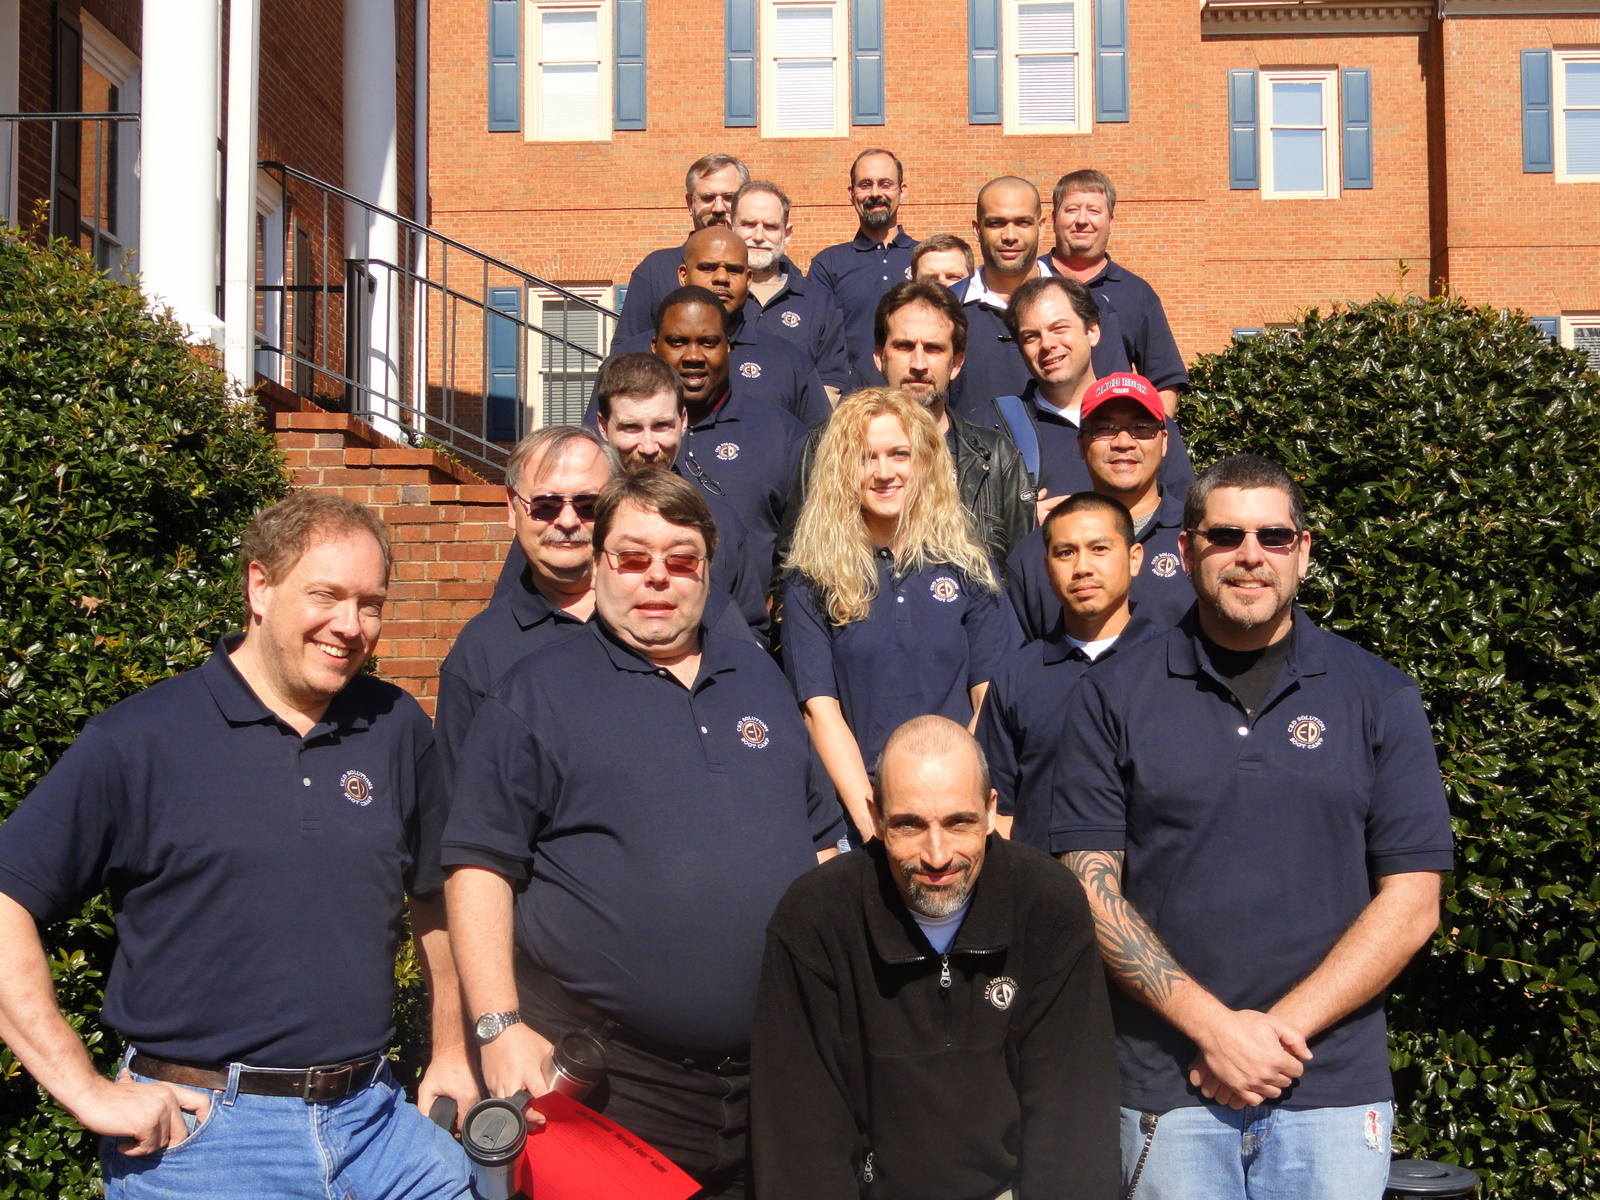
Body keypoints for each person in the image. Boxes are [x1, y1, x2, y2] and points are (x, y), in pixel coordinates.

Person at [0, 493, 474, 1197]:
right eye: (326, 596)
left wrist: (453, 1051)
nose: (350, 626)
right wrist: (84, 1088)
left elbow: (437, 894)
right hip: (205, 1147)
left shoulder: (395, 724)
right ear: (259, 586)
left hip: (380, 1131)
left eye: (370, 604)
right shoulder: (140, 739)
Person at [1053, 454, 1455, 1198]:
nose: (1250, 554)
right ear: (1186, 550)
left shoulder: (1379, 695)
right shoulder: (1110, 695)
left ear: (1303, 551)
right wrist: (1214, 1030)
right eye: (1225, 535)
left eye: (1273, 536)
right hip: (1170, 1088)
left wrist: (1271, 1036)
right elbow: (1088, 888)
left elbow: (1412, 902)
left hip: (1330, 1090)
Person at [443, 470, 844, 1199]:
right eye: (632, 557)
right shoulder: (535, 691)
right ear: (599, 566)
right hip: (612, 1090)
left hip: (770, 1082)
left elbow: (820, 844)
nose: (657, 577)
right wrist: (497, 1025)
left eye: (681, 559)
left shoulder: (760, 680)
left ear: (708, 571)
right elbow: (478, 864)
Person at [750, 715, 1120, 1200]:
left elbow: (1074, 1124)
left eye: (959, 822)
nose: (937, 855)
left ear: (991, 812)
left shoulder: (1047, 905)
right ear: (875, 817)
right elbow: (801, 1142)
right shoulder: (814, 919)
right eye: (909, 825)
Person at [781, 388, 1016, 845]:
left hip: (956, 808)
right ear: (841, 469)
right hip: (862, 817)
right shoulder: (811, 578)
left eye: (899, 454)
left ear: (924, 461)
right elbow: (820, 712)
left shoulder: (969, 566)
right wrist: (874, 824)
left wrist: (954, 801)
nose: (884, 472)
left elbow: (990, 697)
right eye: (865, 457)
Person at [782, 280, 1036, 573]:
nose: (918, 363)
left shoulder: (996, 456)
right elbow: (791, 565)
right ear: (879, 357)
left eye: (933, 348)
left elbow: (1023, 577)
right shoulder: (827, 446)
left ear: (956, 364)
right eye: (904, 346)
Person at [437, 427, 617, 785]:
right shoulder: (481, 650)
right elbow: (458, 795)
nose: (568, 521)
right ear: (512, 507)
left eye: (588, 505)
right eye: (546, 505)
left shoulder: (662, 617)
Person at [979, 493, 1154, 851]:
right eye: (1065, 553)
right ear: (1046, 568)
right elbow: (998, 811)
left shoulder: (1175, 664)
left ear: (1134, 558)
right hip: (1042, 880)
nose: (1082, 567)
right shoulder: (1016, 677)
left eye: (1099, 549)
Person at [1004, 373, 1194, 642]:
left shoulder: (1202, 541)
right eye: (1105, 428)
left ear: (1164, 442)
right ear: (1081, 444)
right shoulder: (1035, 555)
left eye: (1141, 427)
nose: (1124, 442)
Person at [595, 351, 771, 634]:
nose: (648, 446)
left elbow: (751, 631)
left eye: (661, 426)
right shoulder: (577, 517)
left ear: (683, 420)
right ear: (604, 427)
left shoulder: (719, 522)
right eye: (631, 428)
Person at [645, 286, 807, 590]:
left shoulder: (781, 433)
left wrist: (777, 604)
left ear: (728, 346)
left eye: (708, 342)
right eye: (678, 342)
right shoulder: (627, 437)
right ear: (655, 347)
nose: (693, 356)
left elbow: (807, 542)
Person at [997, 279, 1193, 516]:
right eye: (1031, 337)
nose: (1047, 344)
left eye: (1059, 329)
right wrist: (1018, 522)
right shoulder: (995, 427)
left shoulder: (1149, 424)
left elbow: (1185, 518)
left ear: (1092, 331)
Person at [601, 226, 832, 429]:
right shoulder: (631, 359)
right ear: (683, 275)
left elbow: (821, 448)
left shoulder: (789, 361)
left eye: (733, 270)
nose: (721, 278)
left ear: (748, 279)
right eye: (708, 268)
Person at [1048, 170, 1188, 417]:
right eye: (1071, 210)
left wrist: (1154, 433)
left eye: (1094, 211)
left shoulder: (1137, 294)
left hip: (1109, 433)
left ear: (1110, 221)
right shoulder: (1030, 283)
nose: (1082, 220)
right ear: (1053, 219)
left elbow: (1164, 381)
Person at [612, 153, 749, 348]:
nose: (718, 208)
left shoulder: (765, 269)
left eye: (729, 198)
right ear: (690, 203)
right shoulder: (655, 270)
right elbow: (626, 350)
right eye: (708, 198)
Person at [733, 180, 850, 400]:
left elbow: (831, 384)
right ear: (730, 227)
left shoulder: (818, 303)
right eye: (748, 224)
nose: (758, 236)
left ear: (787, 233)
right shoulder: (712, 297)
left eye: (770, 226)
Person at [807, 149, 918, 381]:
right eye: (865, 185)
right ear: (851, 193)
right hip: (853, 396)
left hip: (917, 391)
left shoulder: (924, 257)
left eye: (885, 184)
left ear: (902, 190)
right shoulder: (828, 264)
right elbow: (816, 340)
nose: (875, 193)